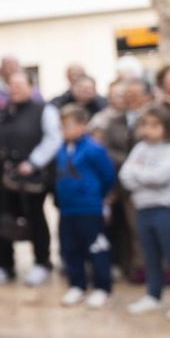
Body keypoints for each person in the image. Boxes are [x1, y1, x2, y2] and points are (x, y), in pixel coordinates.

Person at [0, 70, 61, 286]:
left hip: (30, 178)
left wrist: (34, 162)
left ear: (31, 87)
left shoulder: (44, 110)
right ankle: (3, 265)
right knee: (2, 220)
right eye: (11, 85)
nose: (14, 89)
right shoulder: (1, 111)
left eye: (19, 85)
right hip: (2, 178)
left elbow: (53, 139)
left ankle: (41, 263)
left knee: (35, 218)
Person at [121, 104, 170, 319]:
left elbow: (161, 177)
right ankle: (153, 294)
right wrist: (144, 175)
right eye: (145, 124)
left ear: (166, 126)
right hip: (144, 209)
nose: (148, 130)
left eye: (154, 125)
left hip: (168, 210)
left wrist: (140, 174)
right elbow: (125, 175)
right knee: (150, 256)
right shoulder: (140, 148)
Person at [54, 105, 117, 307]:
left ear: (82, 125)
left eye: (69, 125)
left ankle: (102, 287)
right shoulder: (63, 148)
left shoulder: (93, 148)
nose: (64, 130)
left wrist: (99, 197)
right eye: (62, 126)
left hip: (89, 208)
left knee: (96, 248)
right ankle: (77, 285)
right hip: (67, 208)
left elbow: (108, 176)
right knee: (70, 248)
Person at [93, 77, 149, 283]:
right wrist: (129, 161)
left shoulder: (153, 117)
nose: (130, 99)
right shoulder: (114, 122)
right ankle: (135, 266)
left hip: (150, 181)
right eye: (127, 96)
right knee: (130, 228)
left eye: (134, 95)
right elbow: (106, 149)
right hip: (124, 182)